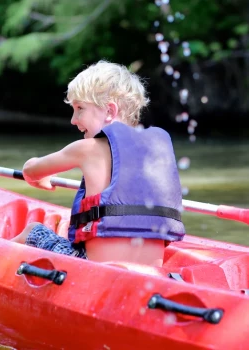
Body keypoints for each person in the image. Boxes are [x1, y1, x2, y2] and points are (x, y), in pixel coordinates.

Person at [11, 60, 185, 267]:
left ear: (110, 111)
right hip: (149, 272)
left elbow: (31, 170)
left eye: (79, 108)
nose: (73, 120)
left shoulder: (87, 148)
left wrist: (37, 174)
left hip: (95, 270)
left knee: (33, 230)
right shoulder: (156, 150)